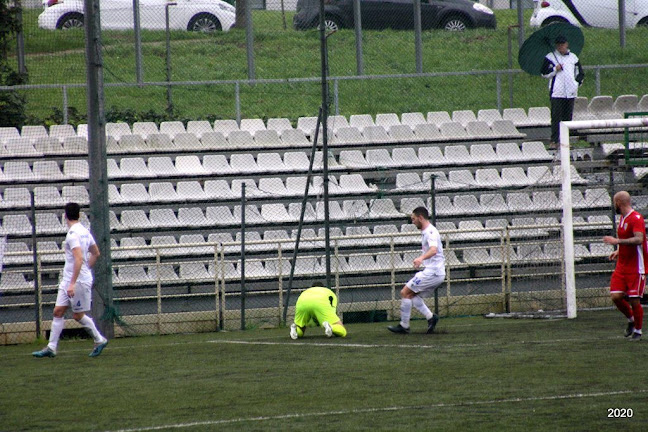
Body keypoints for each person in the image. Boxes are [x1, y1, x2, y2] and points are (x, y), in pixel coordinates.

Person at [33, 203, 109, 357]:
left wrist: (73, 282)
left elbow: (79, 258)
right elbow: (96, 253)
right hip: (69, 279)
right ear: (79, 215)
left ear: (65, 216)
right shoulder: (85, 232)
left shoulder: (73, 234)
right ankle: (51, 348)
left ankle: (99, 339)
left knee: (77, 315)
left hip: (76, 282)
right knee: (58, 311)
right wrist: (85, 270)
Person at [388, 207, 443, 334]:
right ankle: (431, 317)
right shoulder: (427, 231)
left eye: (413, 219)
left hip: (433, 272)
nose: (412, 222)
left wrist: (421, 258)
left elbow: (433, 249)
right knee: (412, 295)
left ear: (420, 217)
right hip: (434, 272)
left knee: (405, 292)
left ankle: (404, 326)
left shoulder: (430, 232)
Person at [603, 191, 647, 342]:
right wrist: (618, 251)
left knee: (634, 299)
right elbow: (626, 240)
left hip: (636, 267)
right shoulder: (622, 218)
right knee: (616, 296)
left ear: (618, 203)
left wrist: (617, 242)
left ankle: (638, 331)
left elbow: (639, 239)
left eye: (614, 202)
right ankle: (631, 320)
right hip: (622, 265)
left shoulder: (636, 218)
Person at [541, 35, 585, 149]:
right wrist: (555, 69)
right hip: (557, 92)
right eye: (559, 44)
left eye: (563, 44)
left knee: (567, 118)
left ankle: (565, 141)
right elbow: (544, 73)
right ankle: (554, 140)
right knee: (556, 117)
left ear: (567, 44)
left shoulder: (573, 58)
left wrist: (576, 84)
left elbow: (580, 73)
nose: (561, 46)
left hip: (570, 93)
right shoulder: (550, 57)